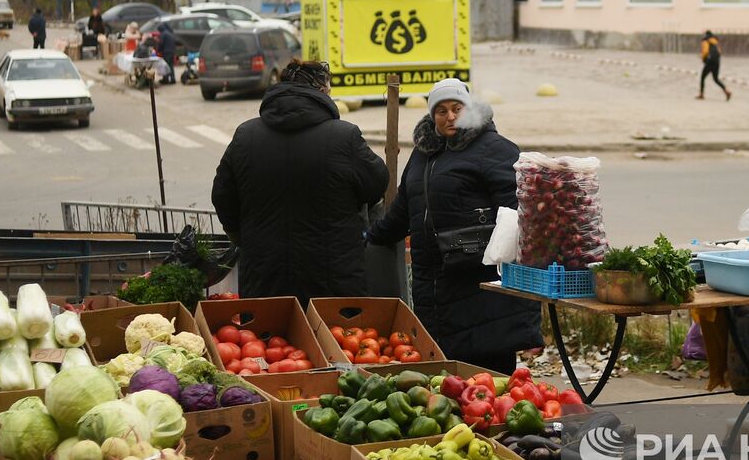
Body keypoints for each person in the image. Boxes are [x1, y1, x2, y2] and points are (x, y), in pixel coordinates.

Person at [367, 78, 542, 373]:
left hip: (481, 287)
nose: (450, 116)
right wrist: (369, 236)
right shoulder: (423, 155)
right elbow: (404, 210)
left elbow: (520, 214)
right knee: (448, 380)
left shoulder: (493, 149)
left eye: (457, 108)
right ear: (432, 115)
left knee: (489, 379)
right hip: (434, 287)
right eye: (441, 110)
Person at [212, 59, 387, 304]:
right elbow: (377, 184)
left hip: (265, 277)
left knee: (269, 340)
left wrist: (245, 238)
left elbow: (222, 197)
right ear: (323, 92)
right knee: (334, 341)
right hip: (333, 279)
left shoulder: (246, 136)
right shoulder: (344, 136)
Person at [697, 30, 731, 101]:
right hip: (717, 62)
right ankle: (726, 91)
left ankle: (701, 94)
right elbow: (719, 52)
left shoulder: (705, 41)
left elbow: (705, 51)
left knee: (702, 77)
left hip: (709, 62)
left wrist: (703, 58)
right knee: (716, 79)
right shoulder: (715, 41)